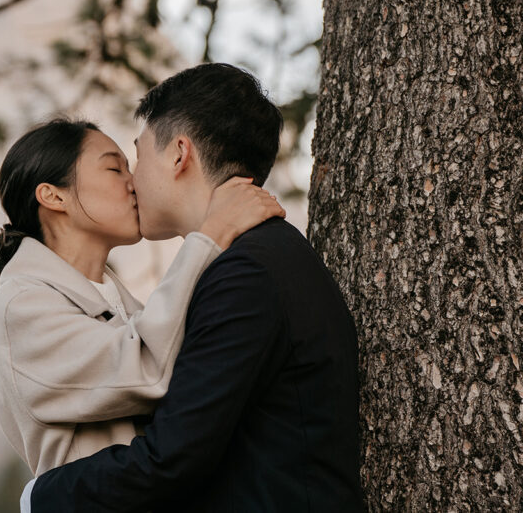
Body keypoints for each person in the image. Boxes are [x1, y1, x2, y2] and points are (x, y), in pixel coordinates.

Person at [24, 63, 364, 512]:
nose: (132, 182)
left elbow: (171, 458)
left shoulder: (245, 273)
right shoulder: (263, 255)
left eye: (138, 157)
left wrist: (39, 496)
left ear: (179, 155)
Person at [0, 117, 285, 478]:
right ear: (53, 196)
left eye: (131, 166)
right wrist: (211, 235)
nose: (134, 183)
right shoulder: (20, 306)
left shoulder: (118, 301)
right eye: (114, 168)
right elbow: (147, 369)